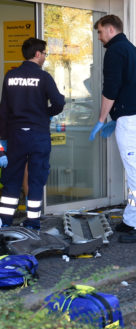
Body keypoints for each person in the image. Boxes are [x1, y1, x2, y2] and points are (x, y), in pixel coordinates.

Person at [89, 15, 136, 243]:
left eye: (99, 32)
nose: (99, 37)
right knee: (134, 168)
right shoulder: (133, 50)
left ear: (110, 29)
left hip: (131, 119)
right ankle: (132, 219)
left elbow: (111, 88)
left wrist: (101, 118)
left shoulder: (115, 51)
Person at [0, 38, 65, 229]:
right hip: (38, 135)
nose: (45, 57)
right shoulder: (44, 77)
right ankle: (33, 222)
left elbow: (3, 110)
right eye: (45, 53)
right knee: (36, 180)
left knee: (11, 180)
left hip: (16, 135)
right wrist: (46, 114)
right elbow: (59, 103)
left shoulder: (10, 76)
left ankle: (4, 222)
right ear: (38, 54)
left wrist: (2, 141)